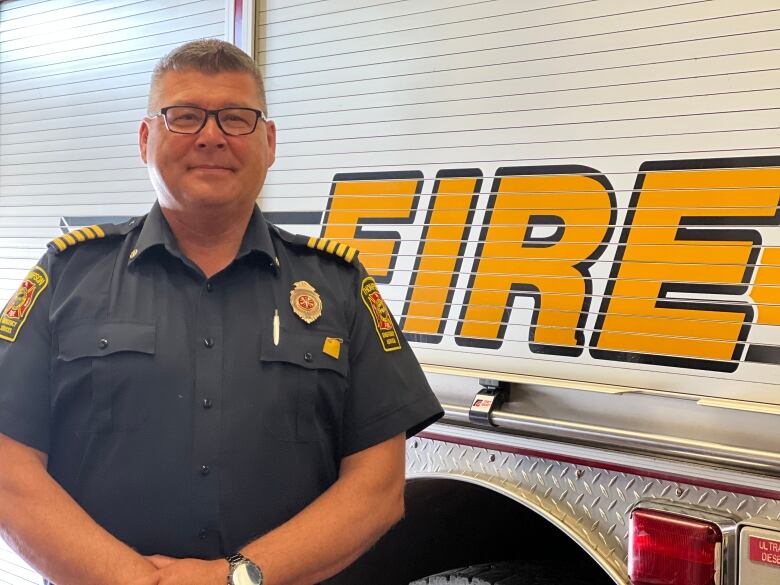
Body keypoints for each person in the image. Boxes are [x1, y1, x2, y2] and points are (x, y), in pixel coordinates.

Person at [0, 39, 442, 585]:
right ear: (145, 139)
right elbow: (8, 469)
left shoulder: (339, 288)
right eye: (184, 117)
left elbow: (376, 489)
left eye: (236, 118)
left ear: (269, 141)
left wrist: (235, 578)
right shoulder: (67, 276)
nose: (211, 136)